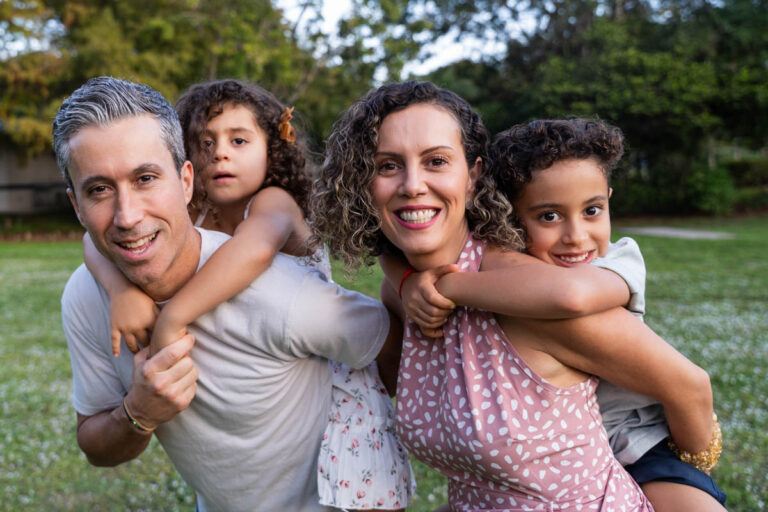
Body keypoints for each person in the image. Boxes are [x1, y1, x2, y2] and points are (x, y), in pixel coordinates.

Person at [311, 80, 716, 511]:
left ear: (473, 177)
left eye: (436, 161)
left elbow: (689, 386)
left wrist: (689, 478)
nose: (412, 185)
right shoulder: (405, 295)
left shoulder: (532, 298)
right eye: (388, 165)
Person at [54, 76, 400, 512]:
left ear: (183, 180)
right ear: (77, 207)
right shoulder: (95, 286)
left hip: (340, 460)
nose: (127, 215)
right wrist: (137, 408)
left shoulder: (275, 251)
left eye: (145, 178)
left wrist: (171, 319)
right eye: (99, 189)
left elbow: (257, 251)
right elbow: (100, 241)